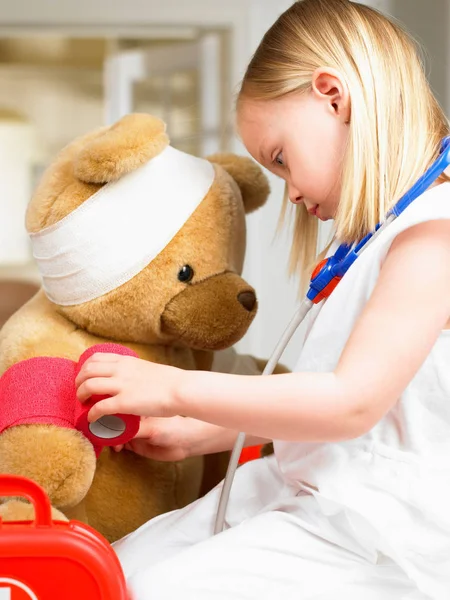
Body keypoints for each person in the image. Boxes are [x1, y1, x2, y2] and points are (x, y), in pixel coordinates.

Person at [75, 1, 450, 598]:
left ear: (334, 96)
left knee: (153, 590)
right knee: (102, 572)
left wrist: (173, 390)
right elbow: (375, 418)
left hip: (377, 534)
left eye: (281, 159)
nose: (292, 192)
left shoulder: (435, 236)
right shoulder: (380, 240)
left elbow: (351, 402)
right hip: (310, 496)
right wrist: (206, 431)